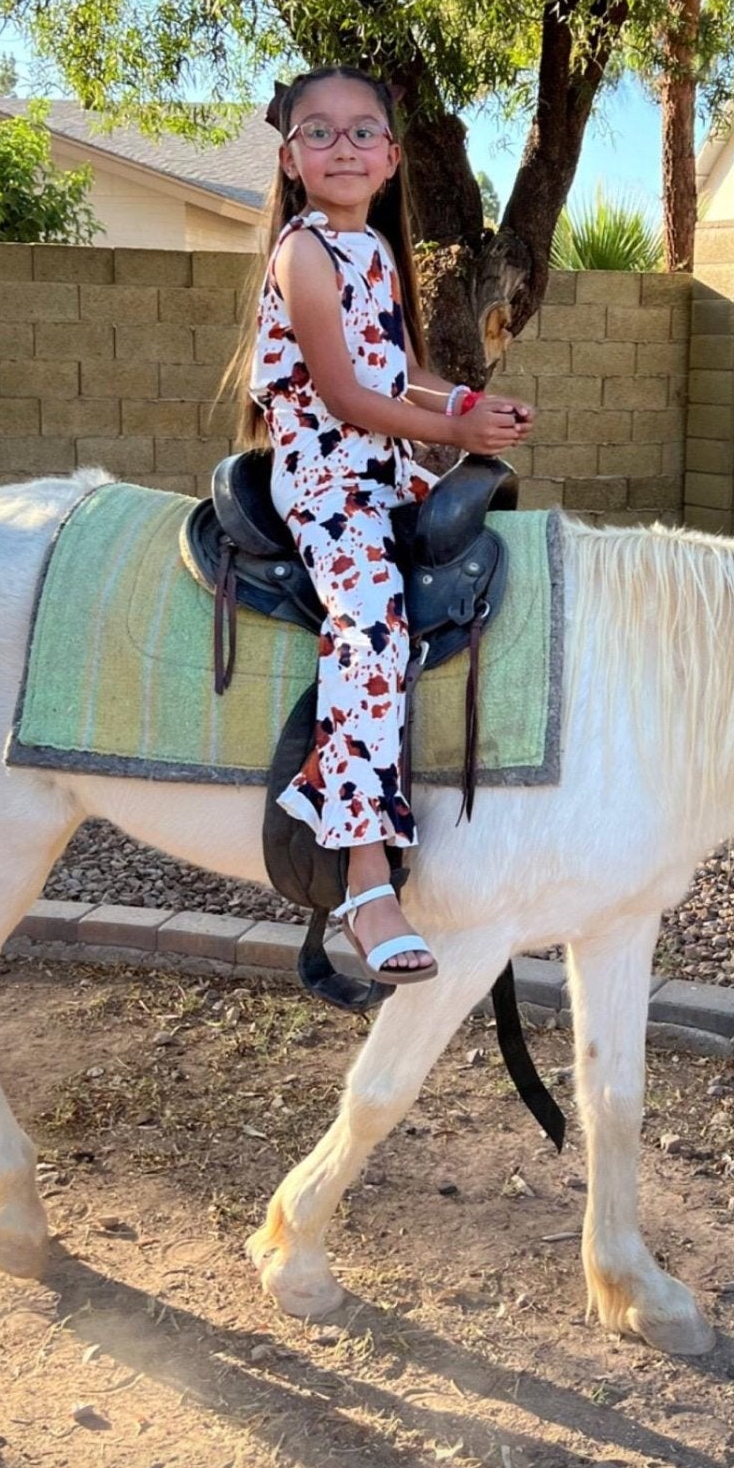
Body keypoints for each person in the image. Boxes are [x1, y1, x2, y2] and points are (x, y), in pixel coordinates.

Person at [243, 66, 534, 985]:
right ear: (290, 159)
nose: (343, 148)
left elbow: (402, 371)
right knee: (369, 618)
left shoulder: (372, 253)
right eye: (319, 134)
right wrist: (454, 429)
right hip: (326, 479)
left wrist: (474, 400)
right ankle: (367, 877)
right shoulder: (302, 254)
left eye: (363, 132)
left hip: (384, 467)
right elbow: (343, 394)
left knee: (490, 564)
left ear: (393, 156)